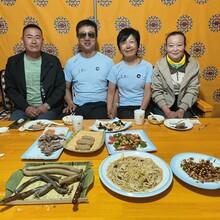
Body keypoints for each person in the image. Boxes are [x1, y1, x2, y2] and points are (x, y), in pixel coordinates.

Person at [5, 24, 66, 121]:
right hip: (22, 108)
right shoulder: (13, 62)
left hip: (49, 108)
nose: (34, 41)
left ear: (42, 41)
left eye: (37, 37)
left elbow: (60, 88)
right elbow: (10, 89)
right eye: (29, 37)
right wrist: (26, 107)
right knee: (14, 130)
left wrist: (47, 105)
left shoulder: (53, 62)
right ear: (22, 40)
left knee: (41, 127)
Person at [63, 19, 114, 119]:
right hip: (78, 106)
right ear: (78, 38)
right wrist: (70, 103)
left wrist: (111, 107)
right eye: (83, 35)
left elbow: (114, 89)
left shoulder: (107, 62)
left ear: (96, 37)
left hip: (100, 105)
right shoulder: (71, 63)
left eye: (91, 35)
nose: (87, 38)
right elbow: (65, 88)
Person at [151, 31, 200, 118]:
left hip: (185, 106)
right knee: (162, 125)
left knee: (186, 125)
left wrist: (181, 110)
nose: (175, 49)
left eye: (179, 45)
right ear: (166, 48)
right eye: (171, 46)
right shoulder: (159, 65)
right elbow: (156, 91)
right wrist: (168, 112)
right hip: (163, 106)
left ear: (184, 46)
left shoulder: (193, 66)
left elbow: (192, 90)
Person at [107, 27, 153, 119]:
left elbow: (148, 91)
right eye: (123, 43)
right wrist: (109, 110)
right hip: (124, 107)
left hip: (144, 105)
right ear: (119, 48)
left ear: (138, 45)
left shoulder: (147, 66)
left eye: (131, 42)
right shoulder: (115, 69)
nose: (128, 46)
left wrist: (141, 111)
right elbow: (111, 93)